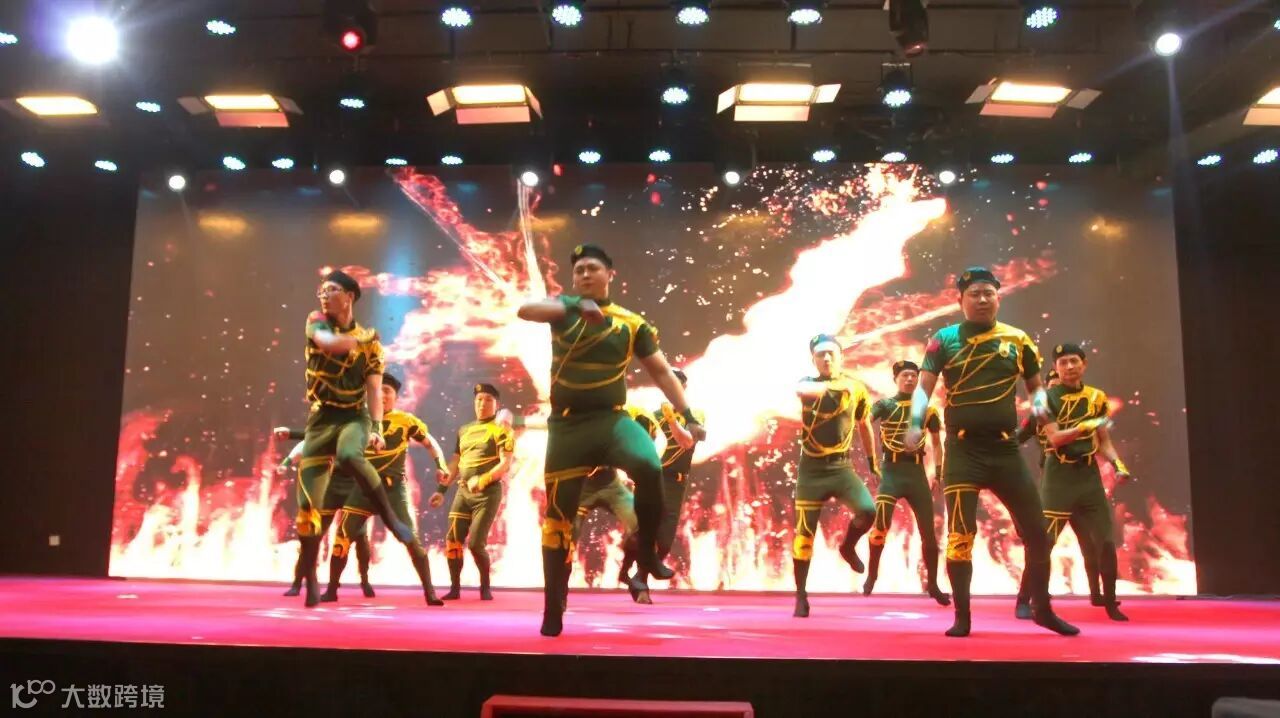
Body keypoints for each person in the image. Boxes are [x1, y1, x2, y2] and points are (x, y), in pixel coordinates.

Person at [516, 243, 706, 637]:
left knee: (649, 465)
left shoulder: (632, 324)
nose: (585, 274)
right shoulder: (562, 309)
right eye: (579, 270)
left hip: (611, 420)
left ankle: (647, 554)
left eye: (593, 268)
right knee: (557, 523)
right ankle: (553, 607)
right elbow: (525, 310)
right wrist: (576, 305)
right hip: (568, 429)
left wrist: (688, 414)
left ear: (610, 274)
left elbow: (662, 372)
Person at [904, 267, 1078, 637]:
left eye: (989, 293)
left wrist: (1044, 420)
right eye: (974, 294)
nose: (982, 299)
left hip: (1005, 450)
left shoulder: (1018, 340)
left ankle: (1042, 608)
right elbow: (923, 389)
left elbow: (1036, 389)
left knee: (1038, 533)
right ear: (960, 300)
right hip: (963, 452)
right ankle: (962, 617)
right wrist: (915, 423)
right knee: (960, 536)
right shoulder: (943, 340)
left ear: (998, 298)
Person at [295, 269, 425, 607]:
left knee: (351, 455)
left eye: (332, 290)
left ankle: (391, 517)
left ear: (349, 296)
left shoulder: (372, 346)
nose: (324, 296)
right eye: (321, 290)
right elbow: (330, 345)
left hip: (354, 416)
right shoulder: (316, 321)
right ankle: (310, 582)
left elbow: (374, 391)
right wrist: (362, 339)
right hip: (321, 418)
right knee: (307, 510)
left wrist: (377, 429)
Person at [1018, 343, 1132, 621]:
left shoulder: (1096, 397)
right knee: (1044, 542)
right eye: (1063, 362)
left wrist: (1117, 464)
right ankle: (1025, 598)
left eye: (1074, 361)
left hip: (1089, 476)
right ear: (1055, 367)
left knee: (1105, 541)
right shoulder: (1043, 400)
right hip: (1058, 476)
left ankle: (1109, 602)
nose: (1069, 367)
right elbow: (1055, 439)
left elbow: (1104, 441)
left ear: (1084, 364)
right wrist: (1084, 427)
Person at [324, 373, 449, 605]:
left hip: (393, 492)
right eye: (377, 391)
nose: (381, 395)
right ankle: (331, 589)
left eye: (387, 391)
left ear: (395, 397)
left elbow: (430, 443)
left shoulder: (406, 421)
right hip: (362, 490)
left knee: (412, 541)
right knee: (342, 540)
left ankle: (430, 593)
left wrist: (440, 465)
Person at [791, 334, 878, 618]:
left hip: (841, 469)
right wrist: (843, 387)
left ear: (841, 356)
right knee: (804, 536)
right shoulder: (806, 383)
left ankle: (848, 547)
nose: (826, 358)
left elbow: (864, 425)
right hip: (811, 471)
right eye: (820, 354)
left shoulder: (856, 388)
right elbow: (805, 390)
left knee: (868, 511)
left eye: (831, 353)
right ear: (813, 359)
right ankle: (801, 595)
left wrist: (872, 461)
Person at [862, 360, 950, 605]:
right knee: (881, 525)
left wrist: (939, 473)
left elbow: (937, 444)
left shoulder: (927, 411)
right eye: (904, 375)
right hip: (891, 472)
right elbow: (864, 422)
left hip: (916, 474)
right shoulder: (885, 405)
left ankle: (933, 585)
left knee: (928, 533)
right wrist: (871, 460)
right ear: (896, 379)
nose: (909, 379)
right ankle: (872, 575)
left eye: (913, 375)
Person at [429, 384, 515, 601]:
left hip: (487, 494)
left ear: (497, 404)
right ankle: (455, 589)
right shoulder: (464, 430)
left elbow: (505, 464)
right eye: (479, 399)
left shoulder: (502, 429)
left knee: (476, 544)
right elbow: (455, 463)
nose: (482, 403)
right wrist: (441, 490)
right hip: (463, 493)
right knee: (453, 541)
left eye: (488, 400)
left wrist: (483, 479)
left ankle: (485, 587)